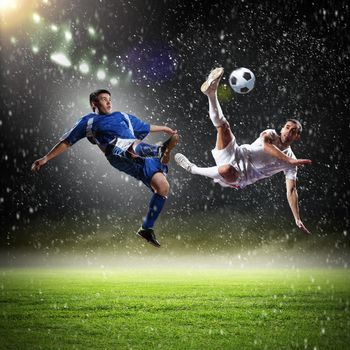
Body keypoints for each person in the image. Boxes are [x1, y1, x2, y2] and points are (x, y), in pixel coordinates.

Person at [31, 89, 179, 247]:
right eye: (103, 99)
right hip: (116, 152)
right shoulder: (89, 121)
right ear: (94, 104)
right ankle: (159, 151)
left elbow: (145, 126)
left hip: (140, 154)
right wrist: (46, 157)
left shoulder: (122, 116)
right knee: (131, 145)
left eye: (109, 99)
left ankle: (146, 228)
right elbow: (67, 141)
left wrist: (164, 128)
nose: (108, 102)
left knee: (163, 187)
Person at [175, 67, 312, 234]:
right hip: (237, 152)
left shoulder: (292, 163)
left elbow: (291, 190)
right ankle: (211, 93)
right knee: (223, 127)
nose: (288, 132)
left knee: (226, 169)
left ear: (297, 136)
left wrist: (297, 217)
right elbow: (268, 147)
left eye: (293, 131)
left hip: (240, 176)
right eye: (287, 127)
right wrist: (289, 160)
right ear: (282, 128)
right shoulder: (271, 134)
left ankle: (193, 169)